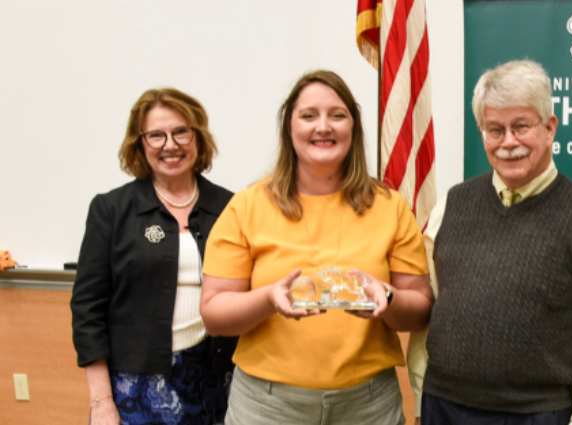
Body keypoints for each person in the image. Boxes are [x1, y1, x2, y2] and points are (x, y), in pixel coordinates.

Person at [199, 70, 433, 425]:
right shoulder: (247, 206)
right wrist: (267, 299)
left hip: (368, 405)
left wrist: (386, 298)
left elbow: (419, 309)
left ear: (353, 128)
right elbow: (214, 314)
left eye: (337, 115)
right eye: (308, 115)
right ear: (288, 128)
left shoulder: (390, 206)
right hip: (268, 406)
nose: (323, 126)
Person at [408, 59, 572, 425]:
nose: (508, 143)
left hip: (537, 413)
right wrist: (424, 393)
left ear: (550, 128)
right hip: (443, 406)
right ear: (482, 133)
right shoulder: (451, 205)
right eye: (495, 130)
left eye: (521, 127)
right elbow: (430, 310)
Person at [71, 88, 237, 425]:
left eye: (181, 132)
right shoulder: (111, 209)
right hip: (135, 387)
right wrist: (101, 400)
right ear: (139, 143)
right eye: (156, 135)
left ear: (198, 138)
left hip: (216, 382)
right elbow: (87, 310)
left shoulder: (230, 207)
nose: (170, 145)